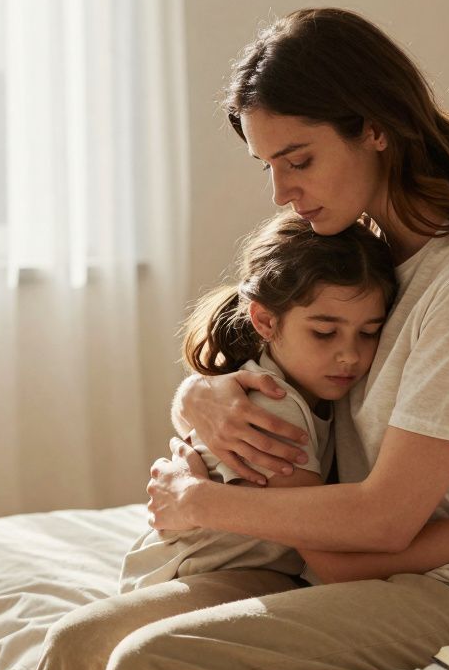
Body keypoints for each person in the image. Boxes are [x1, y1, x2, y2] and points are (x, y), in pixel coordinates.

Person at [29, 7, 449, 670]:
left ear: (376, 128)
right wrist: (199, 395)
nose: (281, 191)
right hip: (340, 570)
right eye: (269, 165)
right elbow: (247, 329)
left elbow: (382, 521)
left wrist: (200, 503)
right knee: (77, 643)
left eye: (299, 160)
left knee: (152, 663)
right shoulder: (371, 255)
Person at [120, 213, 398, 592]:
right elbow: (324, 547)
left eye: (368, 332)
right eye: (324, 332)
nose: (349, 355)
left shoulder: (322, 393)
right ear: (265, 321)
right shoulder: (274, 407)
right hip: (190, 579)